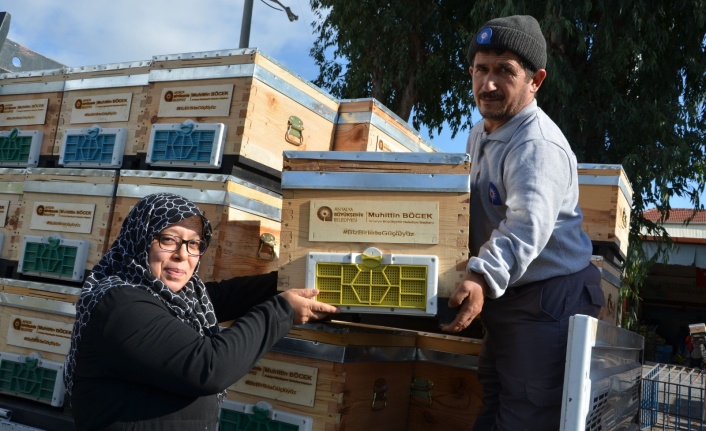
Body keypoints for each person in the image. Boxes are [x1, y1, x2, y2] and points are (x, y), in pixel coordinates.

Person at [440, 15, 605, 431]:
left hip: (548, 300)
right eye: (481, 69)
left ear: (536, 81)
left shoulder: (536, 144)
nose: (488, 84)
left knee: (527, 415)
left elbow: (525, 226)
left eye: (504, 71)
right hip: (512, 295)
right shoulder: (481, 132)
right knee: (496, 396)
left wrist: (481, 276)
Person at [64, 192, 337, 430]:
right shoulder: (120, 305)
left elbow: (227, 295)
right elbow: (209, 366)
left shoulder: (181, 299)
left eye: (193, 244)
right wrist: (282, 311)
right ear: (139, 241)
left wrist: (299, 277)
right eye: (168, 240)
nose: (182, 254)